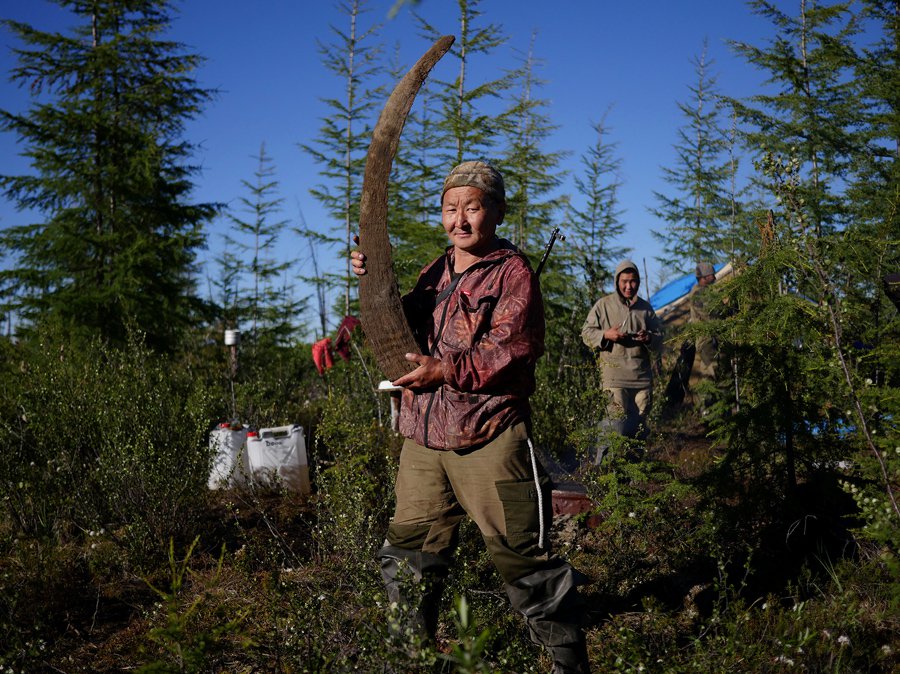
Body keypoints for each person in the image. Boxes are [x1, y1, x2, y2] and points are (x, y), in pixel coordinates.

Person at [352, 160, 590, 673]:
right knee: (408, 560)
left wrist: (445, 369)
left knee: (524, 562)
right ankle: (411, 661)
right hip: (423, 441)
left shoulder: (513, 272)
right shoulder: (434, 272)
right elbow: (403, 322)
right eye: (450, 208)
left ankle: (570, 664)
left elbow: (514, 349)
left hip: (490, 436)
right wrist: (372, 283)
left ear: (496, 212)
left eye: (473, 207)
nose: (460, 220)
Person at [580, 260, 663, 464]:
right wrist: (606, 335)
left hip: (641, 379)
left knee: (638, 426)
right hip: (614, 377)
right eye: (625, 281)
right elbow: (586, 333)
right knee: (614, 424)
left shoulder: (645, 309)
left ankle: (632, 474)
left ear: (638, 282)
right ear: (617, 281)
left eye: (633, 281)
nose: (629, 286)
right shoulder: (604, 305)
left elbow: (661, 337)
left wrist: (649, 338)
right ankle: (604, 470)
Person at [688, 261, 719, 383]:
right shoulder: (698, 293)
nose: (715, 277)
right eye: (712, 275)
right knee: (710, 372)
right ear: (704, 277)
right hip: (706, 339)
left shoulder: (707, 291)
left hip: (711, 338)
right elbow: (708, 315)